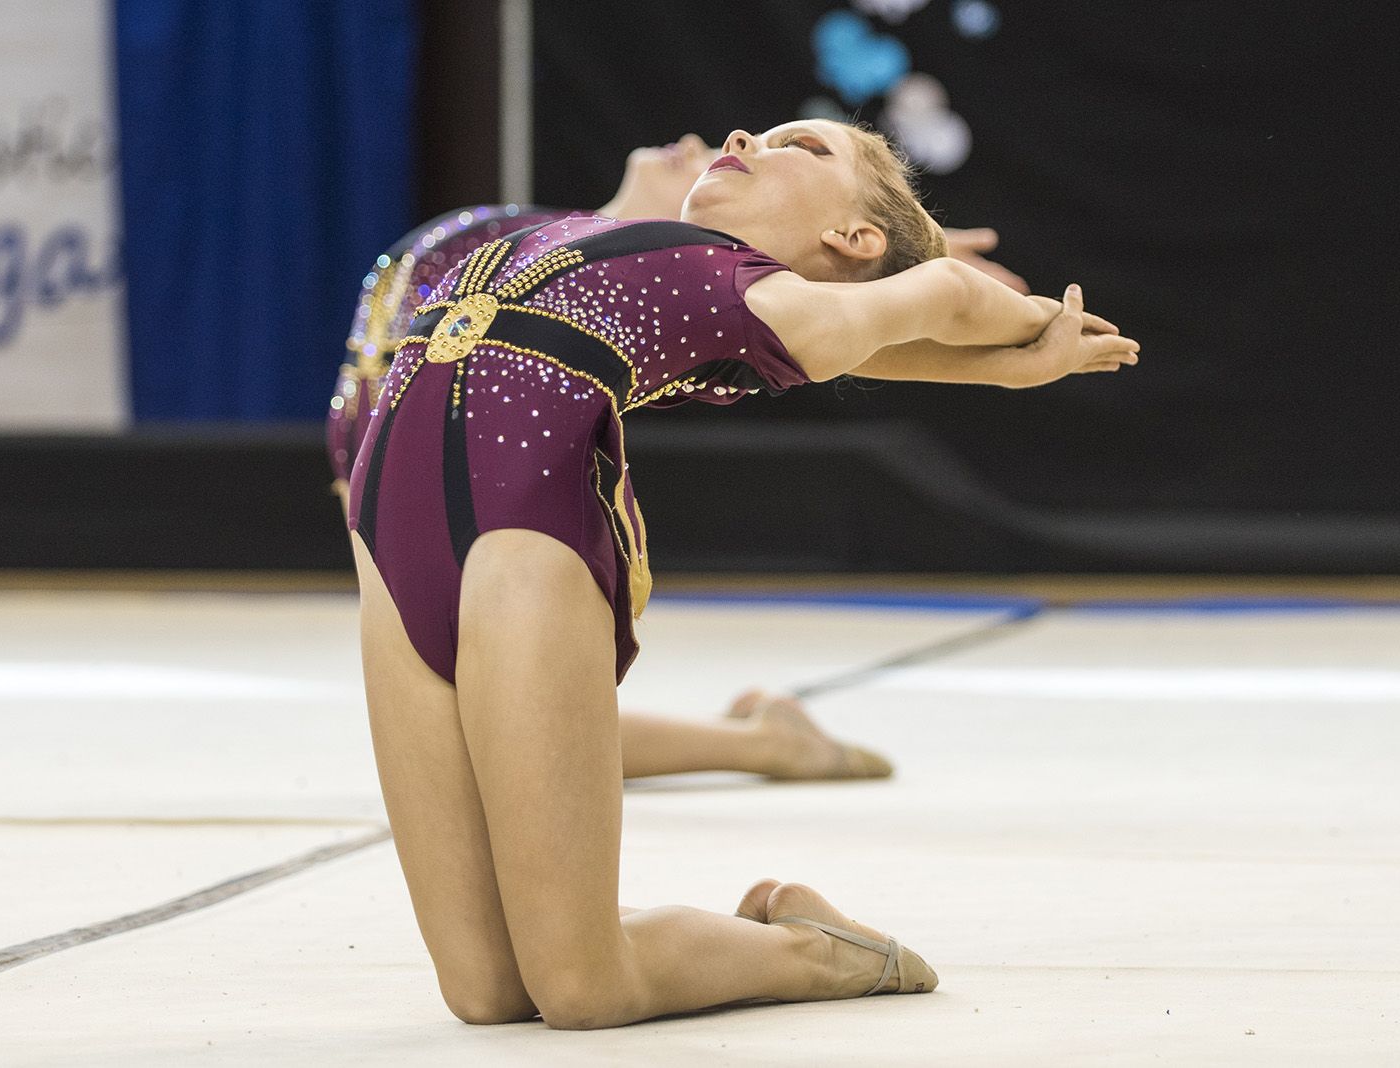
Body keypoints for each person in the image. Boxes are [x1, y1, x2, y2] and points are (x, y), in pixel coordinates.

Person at [346, 118, 1138, 1029]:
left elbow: (945, 292)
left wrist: (1043, 336)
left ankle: (816, 951)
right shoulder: (688, 279)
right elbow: (867, 336)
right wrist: (989, 365)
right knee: (485, 992)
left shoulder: (760, 298)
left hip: (524, 549)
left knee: (582, 991)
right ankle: (709, 925)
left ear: (853, 240)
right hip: (391, 558)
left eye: (803, 146)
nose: (744, 134)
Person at [327, 133, 1030, 784]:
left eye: (779, 157)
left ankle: (763, 746)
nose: (711, 145)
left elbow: (801, 337)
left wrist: (902, 281)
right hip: (392, 468)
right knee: (490, 715)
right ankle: (762, 745)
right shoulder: (542, 246)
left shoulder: (687, 285)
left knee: (508, 719)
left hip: (455, 482)